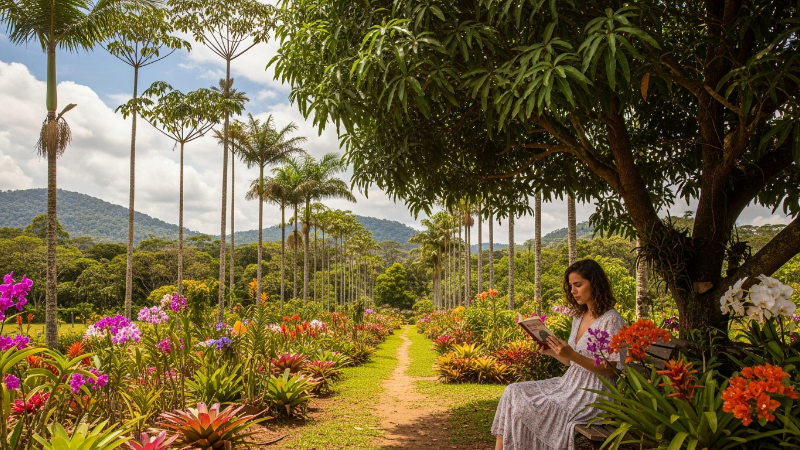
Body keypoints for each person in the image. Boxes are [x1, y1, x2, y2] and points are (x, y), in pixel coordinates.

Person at [491, 259, 625, 450]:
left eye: (578, 285)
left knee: (535, 406)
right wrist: (551, 352)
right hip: (569, 384)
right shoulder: (579, 316)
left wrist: (571, 354)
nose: (573, 291)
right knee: (513, 391)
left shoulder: (611, 320)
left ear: (594, 283)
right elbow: (572, 362)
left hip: (593, 394)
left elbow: (612, 371)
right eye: (571, 286)